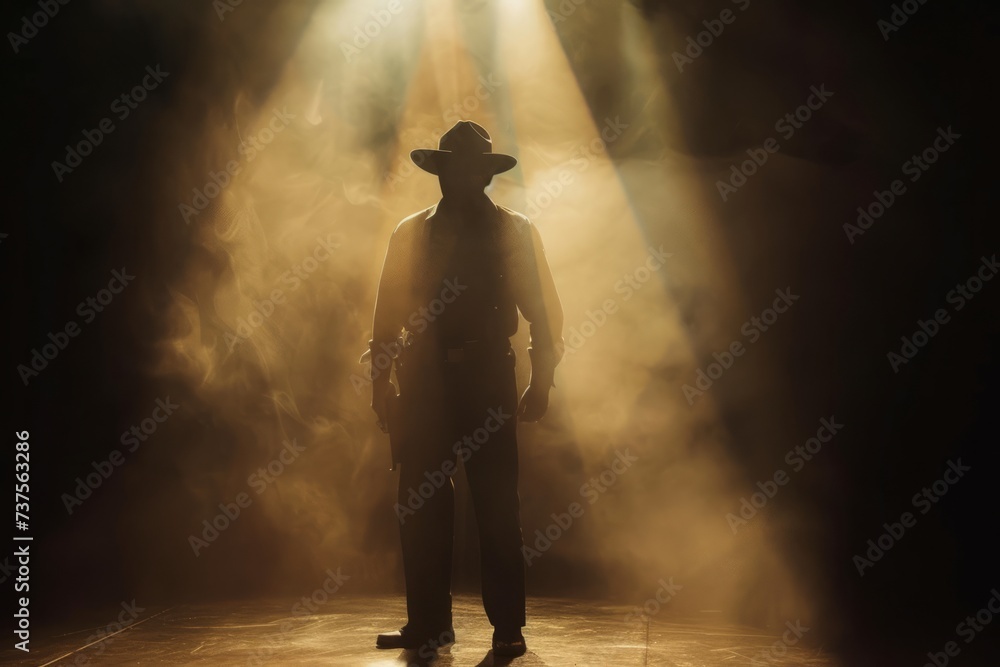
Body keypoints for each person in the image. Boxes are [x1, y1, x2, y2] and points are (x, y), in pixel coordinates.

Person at [368, 120, 563, 658]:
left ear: (484, 175)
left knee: (497, 504)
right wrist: (380, 380)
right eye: (450, 166)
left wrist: (542, 378)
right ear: (441, 172)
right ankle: (428, 624)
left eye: (468, 167)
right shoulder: (410, 232)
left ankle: (507, 626)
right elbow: (386, 312)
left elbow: (543, 314)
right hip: (425, 378)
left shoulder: (513, 232)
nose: (458, 176)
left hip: (486, 378)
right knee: (421, 504)